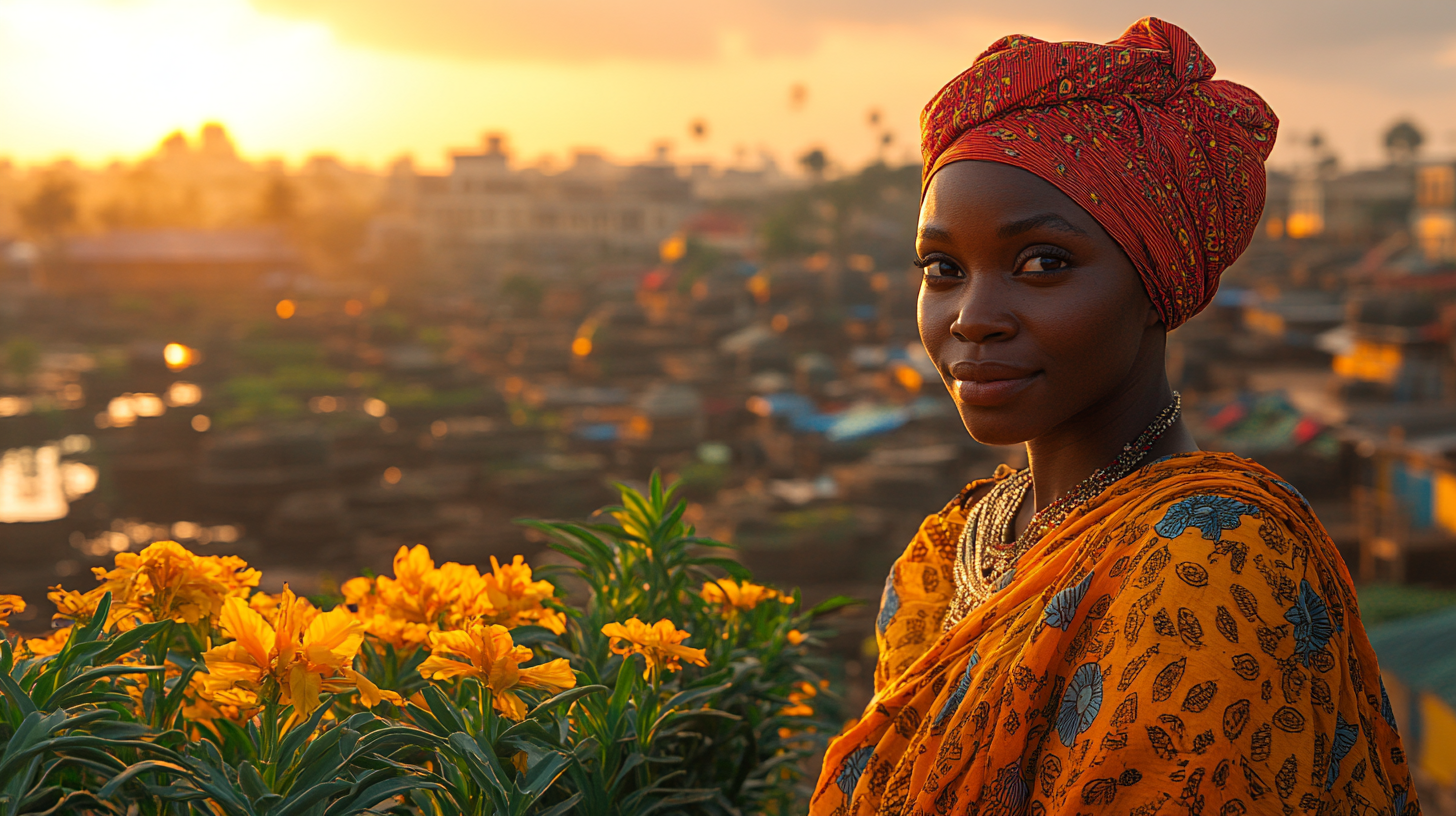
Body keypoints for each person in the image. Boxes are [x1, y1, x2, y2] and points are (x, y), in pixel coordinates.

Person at [811, 18, 1417, 816]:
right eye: (943, 269)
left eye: (1043, 264)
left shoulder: (1209, 565)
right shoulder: (946, 555)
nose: (972, 316)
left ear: (1155, 286)